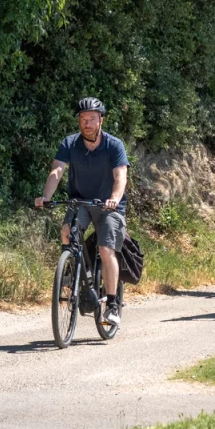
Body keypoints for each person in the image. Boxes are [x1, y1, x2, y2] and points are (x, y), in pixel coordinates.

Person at [35, 97, 129, 325]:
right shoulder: (69, 143)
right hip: (80, 202)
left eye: (92, 119)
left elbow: (120, 176)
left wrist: (114, 199)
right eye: (83, 119)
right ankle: (76, 272)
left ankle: (113, 303)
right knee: (67, 231)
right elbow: (57, 171)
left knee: (106, 250)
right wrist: (46, 196)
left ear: (101, 121)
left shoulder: (113, 145)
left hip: (107, 206)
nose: (87, 123)